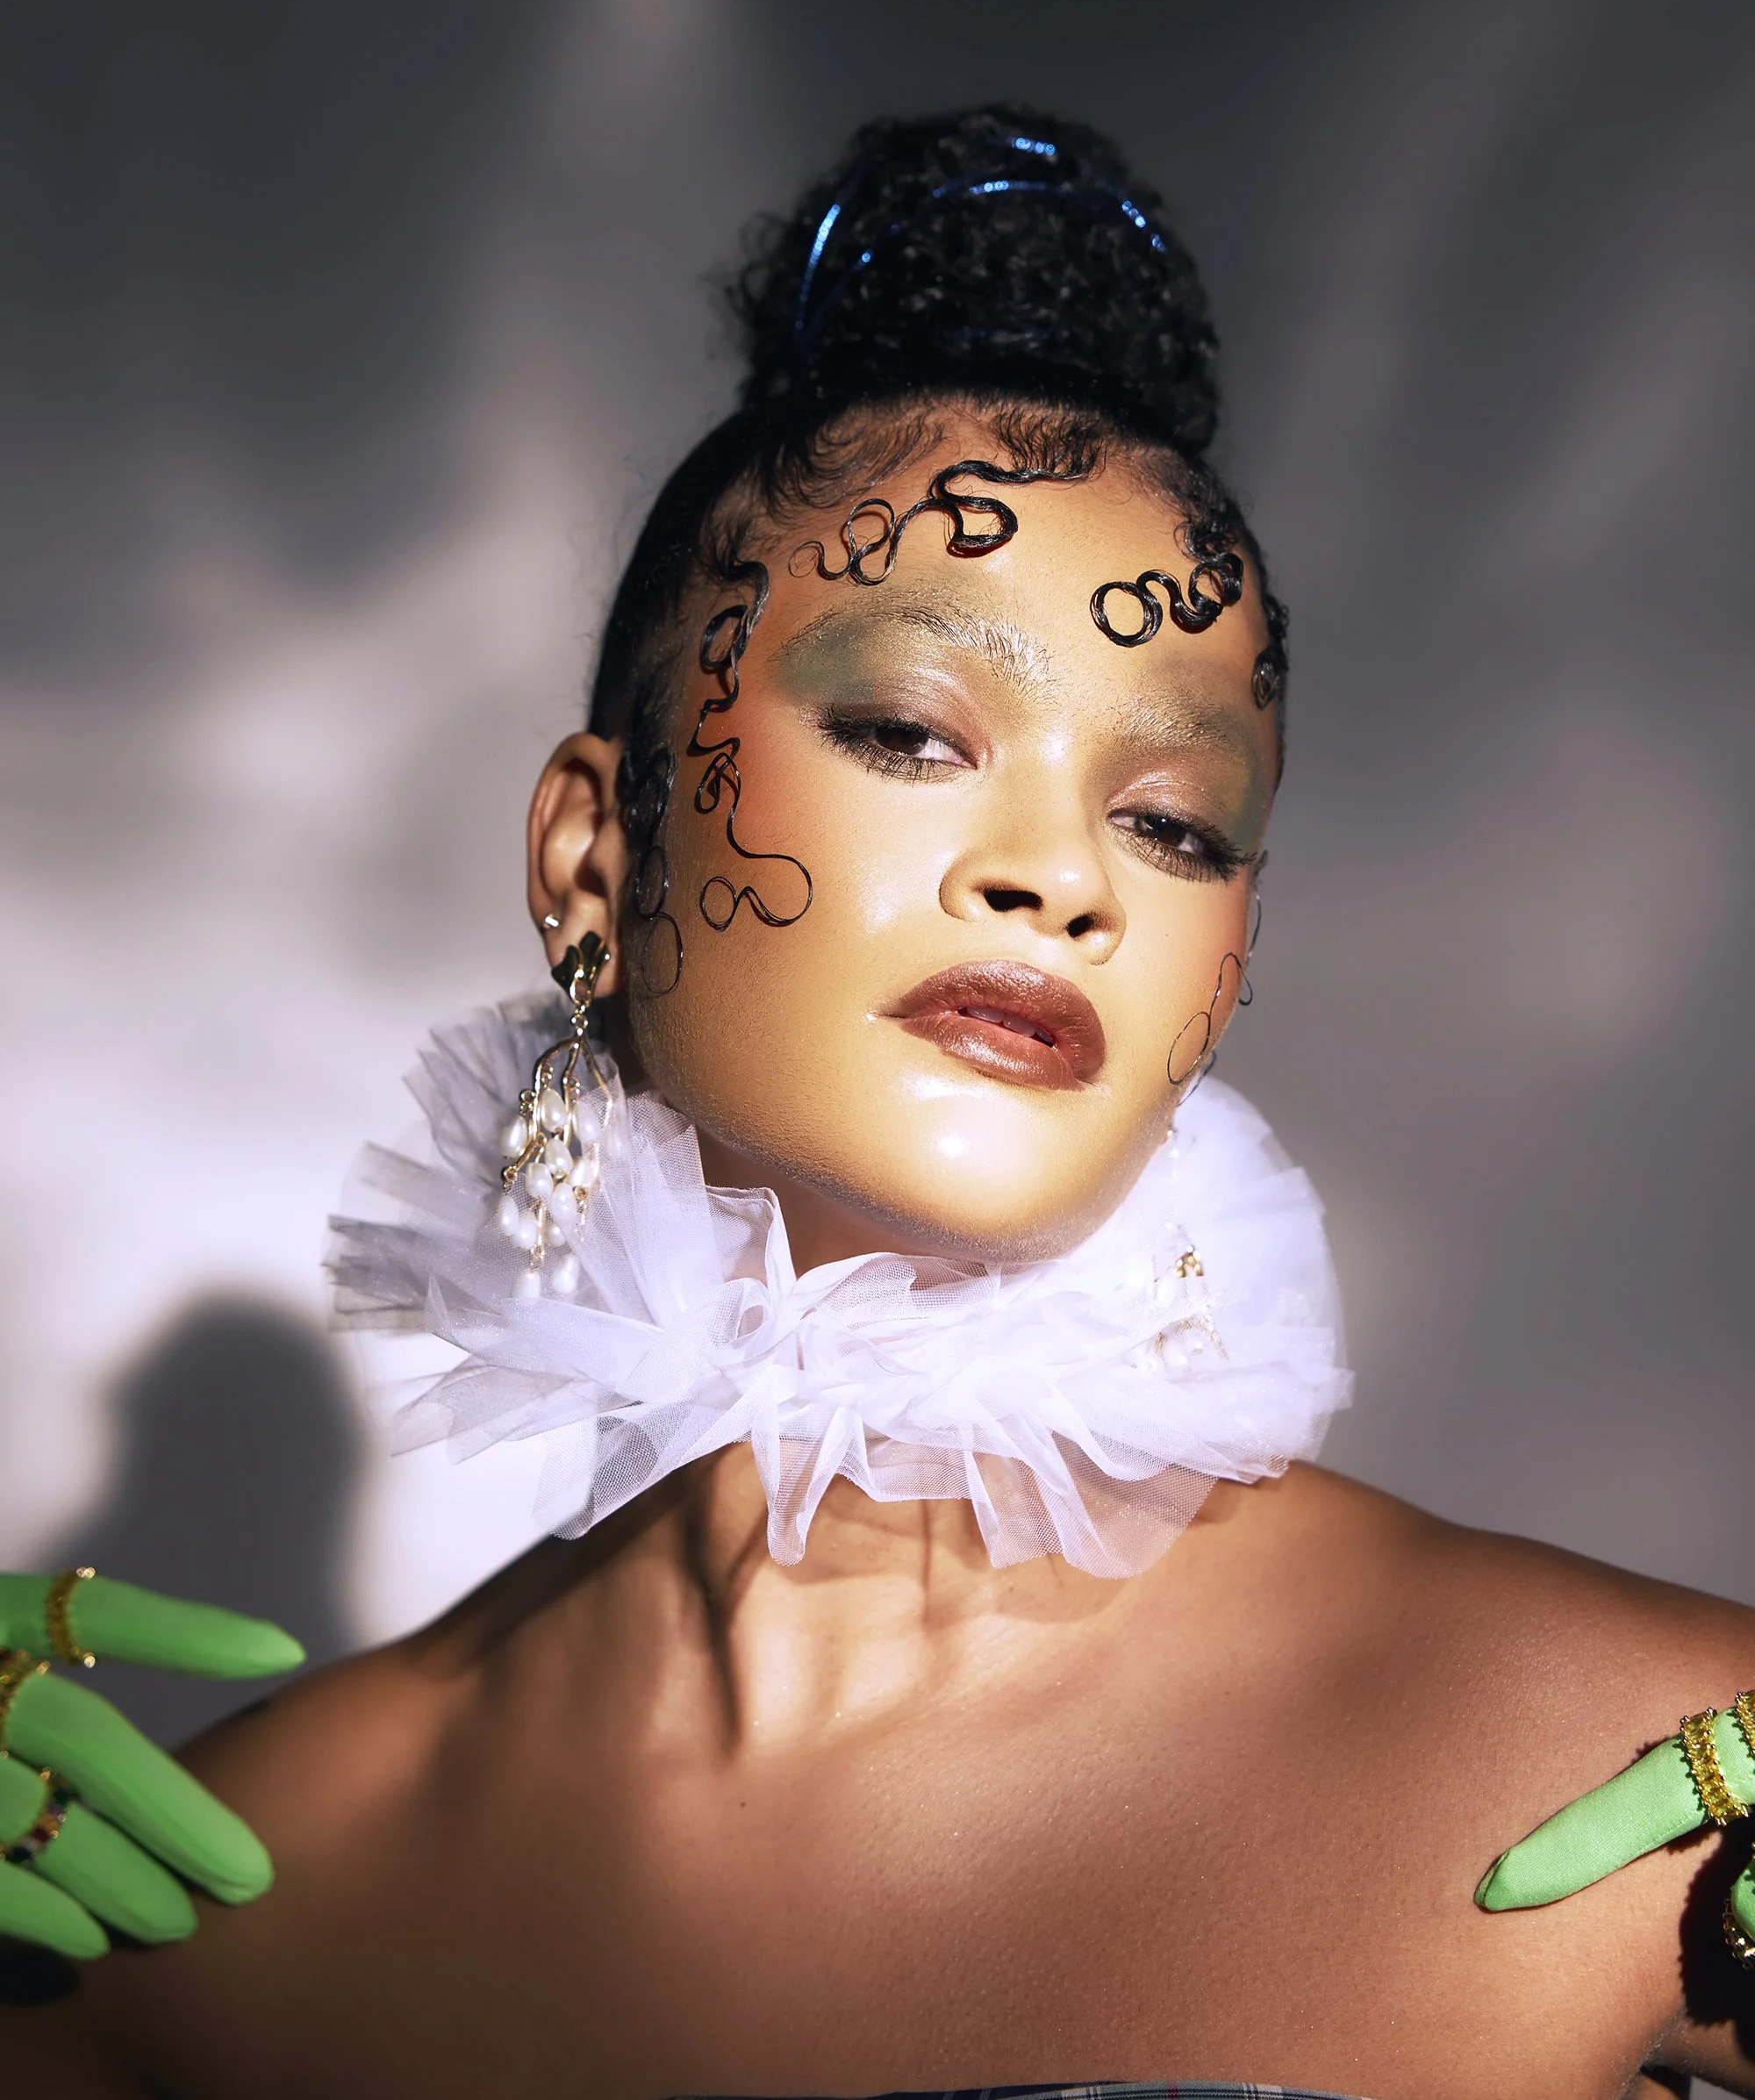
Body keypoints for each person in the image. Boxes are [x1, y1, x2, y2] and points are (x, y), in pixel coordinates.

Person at [3, 106, 1751, 2100]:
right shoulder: (222, 1921)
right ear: (591, 855)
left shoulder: (1648, 1771)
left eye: (1177, 822)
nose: (1063, 877)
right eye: (913, 730)